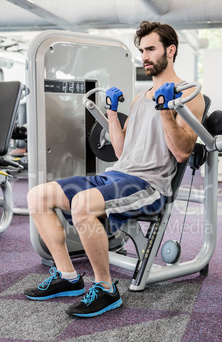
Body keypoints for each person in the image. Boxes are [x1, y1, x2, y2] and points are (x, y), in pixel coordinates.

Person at [24, 20, 205, 318]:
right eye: (141, 50)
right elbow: (121, 152)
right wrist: (110, 113)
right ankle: (67, 277)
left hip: (148, 184)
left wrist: (166, 112)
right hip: (117, 174)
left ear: (170, 50)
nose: (144, 56)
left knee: (82, 204)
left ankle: (106, 289)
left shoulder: (189, 93)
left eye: (151, 49)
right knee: (38, 196)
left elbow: (183, 151)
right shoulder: (140, 97)